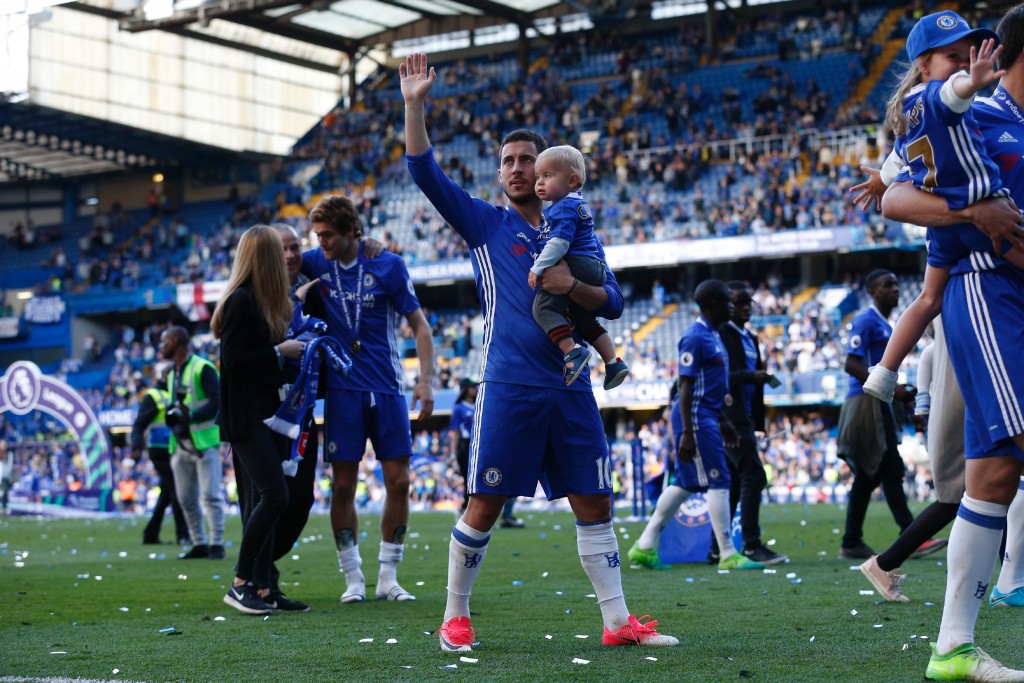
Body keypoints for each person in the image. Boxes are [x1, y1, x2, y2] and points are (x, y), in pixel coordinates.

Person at [401, 52, 678, 653]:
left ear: (550, 169)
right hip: (509, 385)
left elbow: (612, 301)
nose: (517, 168)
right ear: (500, 174)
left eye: (527, 159)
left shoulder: (575, 228)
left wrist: (569, 285)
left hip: (572, 386)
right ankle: (455, 617)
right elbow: (423, 171)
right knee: (485, 502)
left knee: (595, 500)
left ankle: (617, 623)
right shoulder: (484, 224)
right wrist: (415, 104)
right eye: (508, 161)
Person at [881, 8, 1024, 676]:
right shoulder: (973, 112)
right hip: (991, 293)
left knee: (993, 475)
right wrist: (971, 211)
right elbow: (892, 194)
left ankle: (953, 648)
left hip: (1005, 293)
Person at [848, 13, 1022, 402]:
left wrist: (878, 181)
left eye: (966, 55)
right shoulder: (941, 96)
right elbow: (953, 94)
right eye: (952, 56)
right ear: (924, 64)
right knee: (1013, 237)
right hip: (977, 207)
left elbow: (894, 165)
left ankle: (885, 370)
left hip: (946, 229)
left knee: (928, 299)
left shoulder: (907, 112)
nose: (961, 64)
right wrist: (972, 80)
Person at [300, 195, 435, 604]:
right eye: (317, 235)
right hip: (342, 390)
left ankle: (388, 577)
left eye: (328, 235)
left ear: (350, 231)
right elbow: (278, 261)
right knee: (343, 485)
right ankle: (353, 578)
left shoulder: (388, 265)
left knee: (400, 481)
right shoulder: (315, 262)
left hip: (388, 386)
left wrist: (426, 380)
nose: (321, 242)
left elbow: (420, 326)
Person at [628, 280, 765, 572]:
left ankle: (644, 546)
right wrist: (689, 432)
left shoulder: (713, 335)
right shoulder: (694, 337)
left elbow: (709, 387)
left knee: (685, 483)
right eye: (728, 301)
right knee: (720, 479)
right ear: (714, 304)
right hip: (696, 419)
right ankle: (727, 553)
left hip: (707, 416)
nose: (731, 306)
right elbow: (685, 386)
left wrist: (723, 420)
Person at [212, 224, 305, 616]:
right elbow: (233, 361)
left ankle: (264, 586)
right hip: (246, 416)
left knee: (271, 498)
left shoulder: (259, 301)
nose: (287, 259)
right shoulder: (240, 301)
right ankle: (240, 583)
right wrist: (280, 352)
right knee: (273, 496)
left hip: (263, 413)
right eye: (277, 253)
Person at [860, 316, 960, 603]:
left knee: (983, 496)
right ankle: (1009, 579)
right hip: (957, 419)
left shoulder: (943, 344)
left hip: (955, 417)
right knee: (959, 498)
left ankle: (1009, 577)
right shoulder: (941, 346)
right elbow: (923, 400)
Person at [528, 145, 629, 389]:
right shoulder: (577, 203)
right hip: (592, 267)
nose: (539, 182)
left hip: (578, 263)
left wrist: (538, 267)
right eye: (538, 176)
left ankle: (572, 351)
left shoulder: (563, 206)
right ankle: (613, 362)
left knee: (543, 308)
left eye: (547, 176)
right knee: (585, 319)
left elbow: (560, 243)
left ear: (572, 180)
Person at [835, 270, 920, 560]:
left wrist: (898, 394)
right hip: (865, 400)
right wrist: (893, 389)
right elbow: (851, 363)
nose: (895, 289)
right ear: (872, 291)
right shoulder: (866, 320)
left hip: (879, 399)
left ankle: (852, 541)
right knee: (889, 467)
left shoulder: (886, 323)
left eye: (896, 283)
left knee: (869, 474)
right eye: (888, 285)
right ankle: (910, 535)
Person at [716, 281, 787, 565]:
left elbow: (753, 384)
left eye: (748, 303)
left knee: (735, 481)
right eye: (739, 303)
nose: (745, 308)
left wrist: (758, 422)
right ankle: (751, 545)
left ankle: (716, 548)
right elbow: (720, 376)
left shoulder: (750, 338)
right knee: (754, 476)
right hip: (729, 416)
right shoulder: (721, 334)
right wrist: (751, 376)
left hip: (744, 417)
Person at [160, 325, 225, 560]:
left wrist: (192, 415)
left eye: (165, 341)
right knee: (185, 498)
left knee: (210, 495)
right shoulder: (171, 372)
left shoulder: (202, 368)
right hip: (180, 443)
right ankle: (199, 543)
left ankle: (216, 544)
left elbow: (218, 400)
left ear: (177, 341)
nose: (162, 346)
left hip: (204, 442)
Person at [131, 366, 189, 546]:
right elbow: (139, 425)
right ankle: (183, 535)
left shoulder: (174, 395)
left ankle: (150, 533)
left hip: (172, 448)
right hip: (160, 449)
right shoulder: (154, 396)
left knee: (167, 492)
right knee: (176, 489)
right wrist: (136, 447)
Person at [449, 376, 477, 513]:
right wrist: (453, 453)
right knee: (468, 477)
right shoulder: (459, 408)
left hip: (479, 444)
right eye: (472, 386)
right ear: (465, 389)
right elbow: (455, 432)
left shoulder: (480, 404)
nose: (475, 389)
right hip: (465, 445)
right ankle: (466, 506)